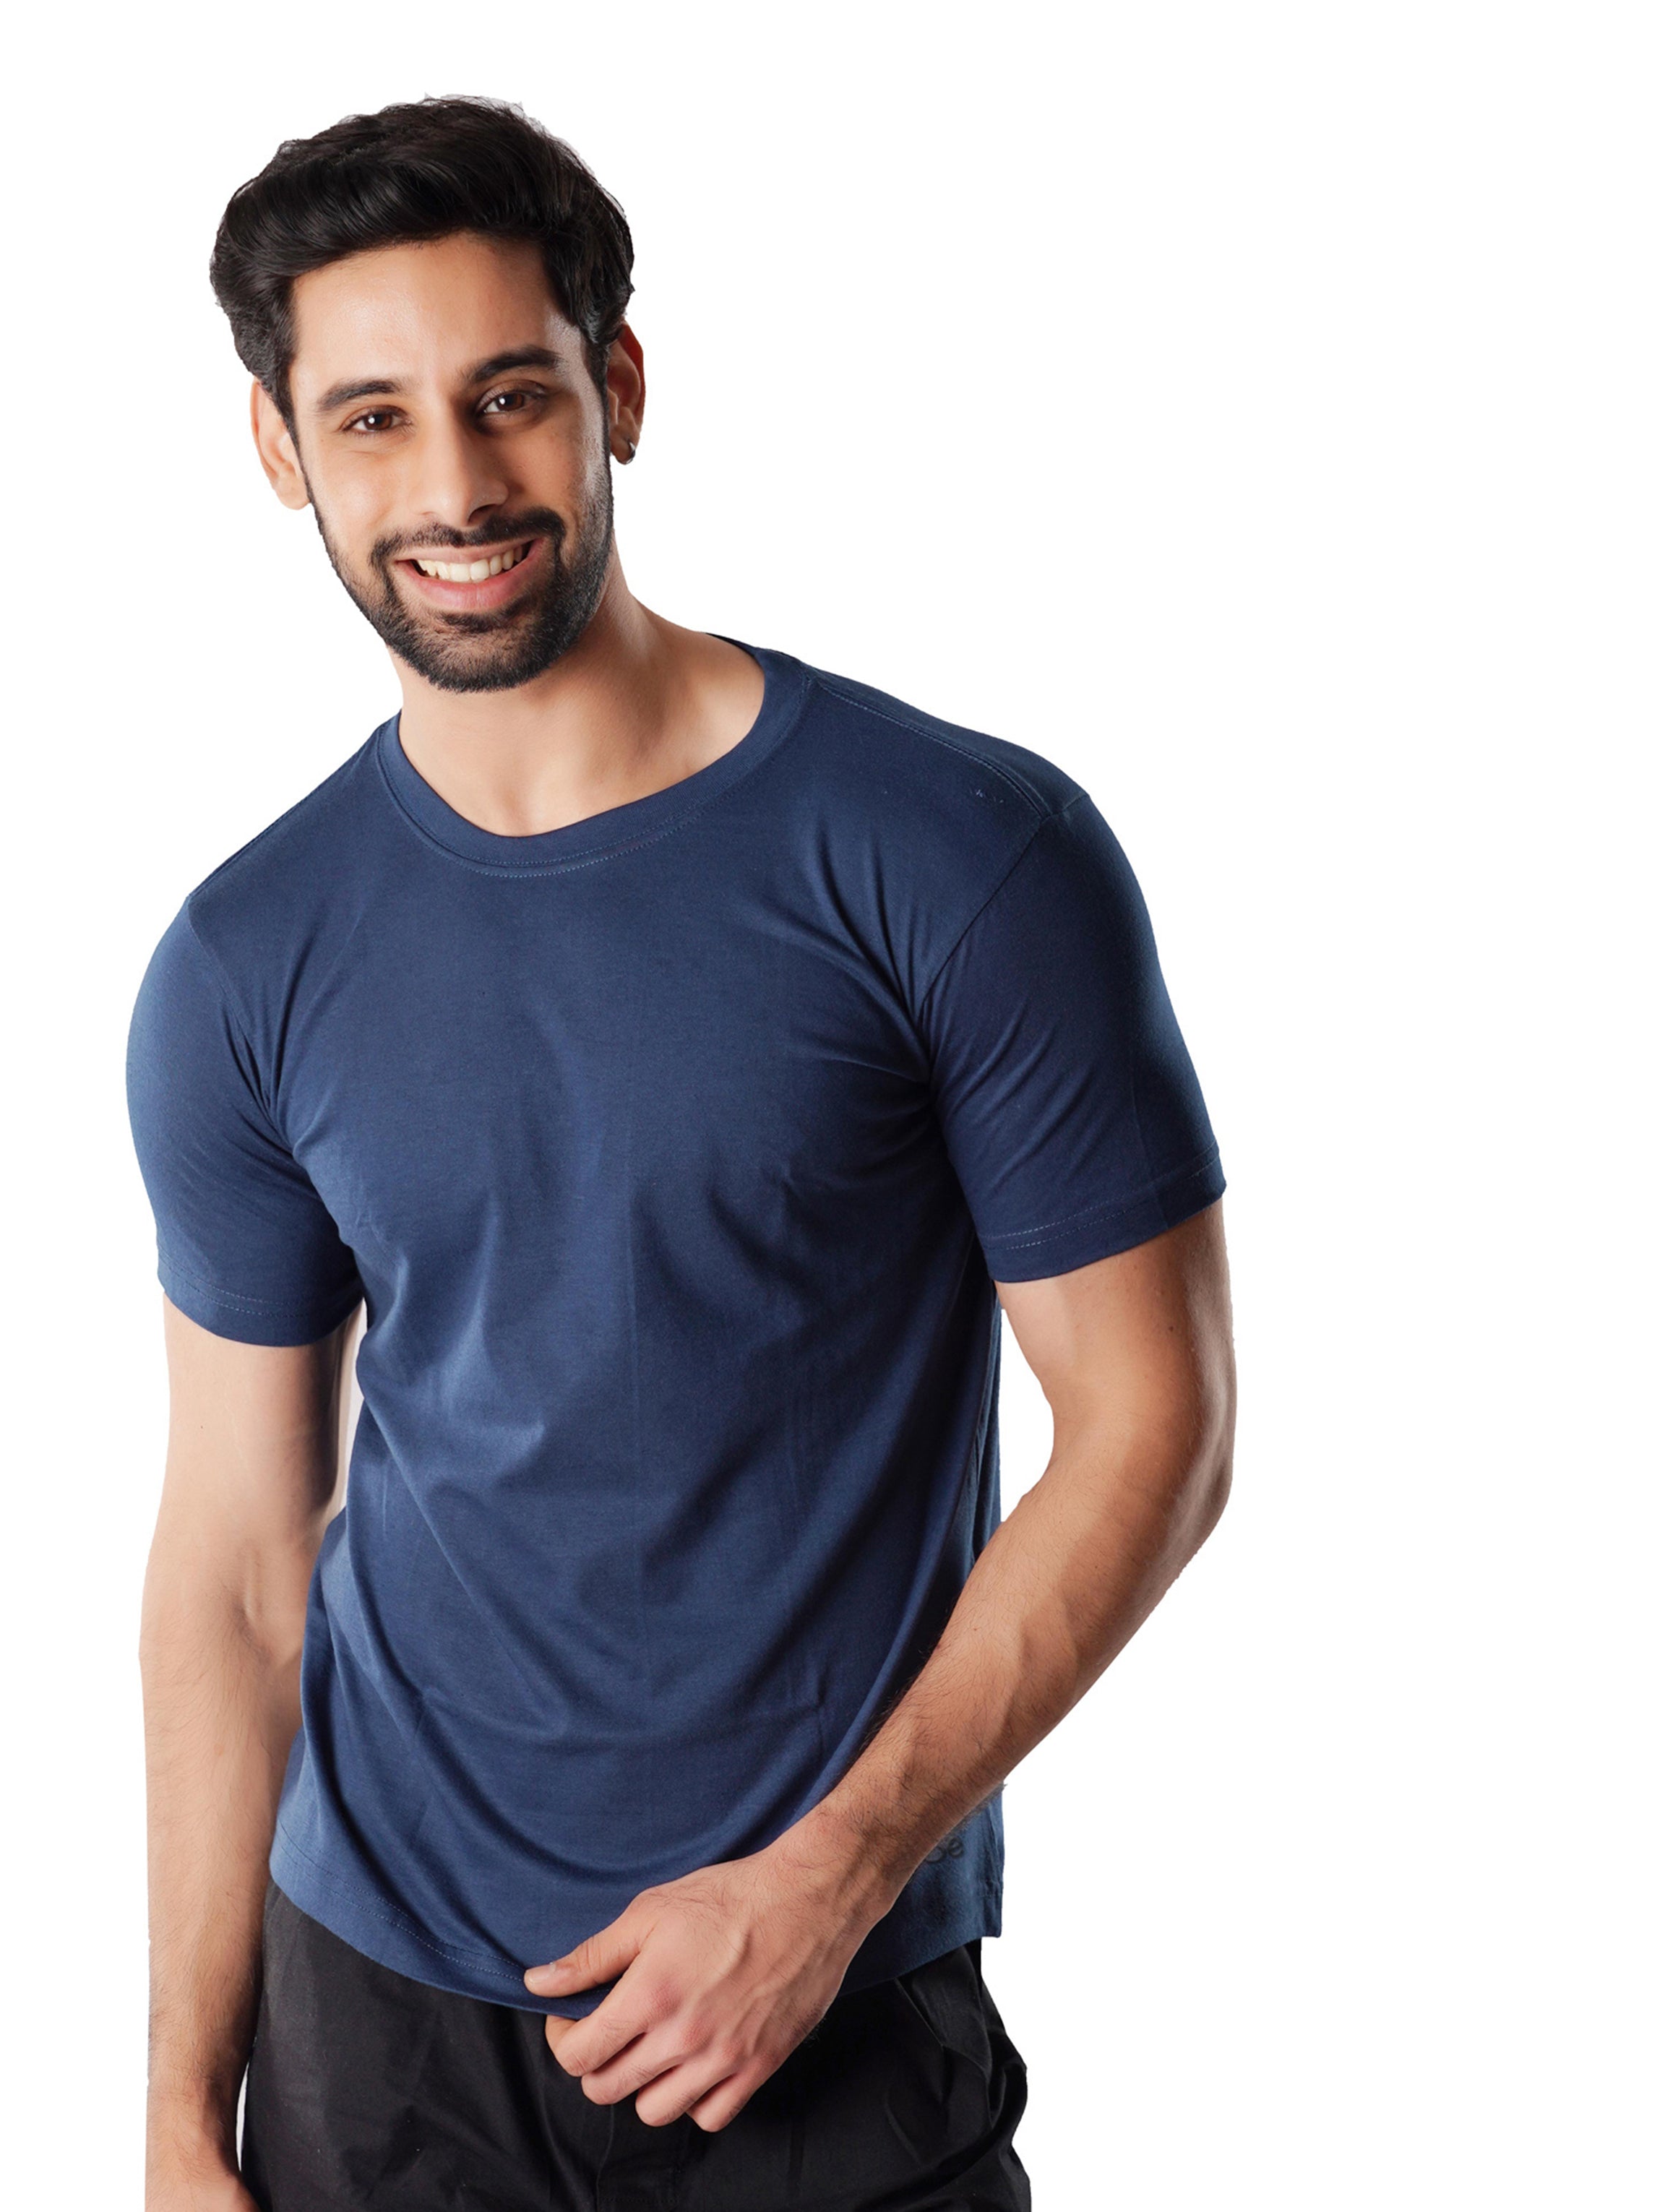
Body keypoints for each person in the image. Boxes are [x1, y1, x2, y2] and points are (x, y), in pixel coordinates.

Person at [126, 95, 1236, 2212]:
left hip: (820, 2015)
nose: (455, 489)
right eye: (372, 419)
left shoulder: (957, 856)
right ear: (279, 448)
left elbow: (1154, 1426)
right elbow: (240, 1570)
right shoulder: (243, 963)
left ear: (617, 387)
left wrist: (833, 1879)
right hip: (380, 2027)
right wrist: (183, 2109)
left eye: (511, 396)